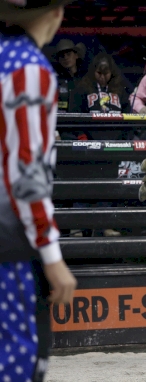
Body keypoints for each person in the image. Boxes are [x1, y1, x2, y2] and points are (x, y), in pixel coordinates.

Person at [0, 2, 77, 381]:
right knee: (20, 358)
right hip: (9, 241)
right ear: (56, 13)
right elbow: (26, 169)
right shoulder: (30, 70)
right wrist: (51, 253)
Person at [69, 52, 131, 117]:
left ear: (111, 72)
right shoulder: (83, 88)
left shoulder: (120, 89)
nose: (102, 77)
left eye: (105, 73)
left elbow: (126, 113)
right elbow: (76, 113)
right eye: (99, 73)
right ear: (93, 71)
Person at [52, 38, 87, 112]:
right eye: (62, 56)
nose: (66, 58)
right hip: (62, 119)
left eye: (68, 54)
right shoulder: (55, 79)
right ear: (59, 60)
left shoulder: (85, 77)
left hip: (83, 119)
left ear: (76, 55)